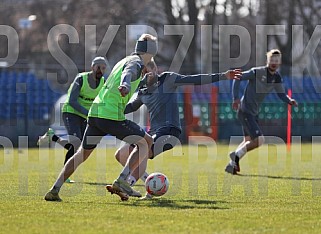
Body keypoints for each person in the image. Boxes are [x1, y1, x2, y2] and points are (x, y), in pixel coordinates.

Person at [44, 34, 157, 202]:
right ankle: (122, 181)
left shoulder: (126, 60)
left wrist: (139, 81)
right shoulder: (136, 63)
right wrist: (125, 85)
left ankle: (55, 189)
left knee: (82, 153)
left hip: (96, 113)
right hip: (110, 115)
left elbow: (128, 74)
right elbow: (128, 73)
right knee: (146, 142)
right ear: (151, 50)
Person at [115, 58, 242, 199]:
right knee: (121, 153)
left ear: (155, 70)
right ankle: (150, 182)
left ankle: (128, 185)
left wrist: (223, 76)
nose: (145, 76)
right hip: (153, 133)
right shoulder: (142, 90)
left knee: (143, 148)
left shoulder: (168, 79)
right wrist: (109, 110)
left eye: (147, 72)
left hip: (170, 131)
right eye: (142, 74)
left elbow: (195, 79)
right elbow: (131, 107)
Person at [225, 49, 298, 175]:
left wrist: (289, 100)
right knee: (259, 140)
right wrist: (235, 98)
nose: (274, 63)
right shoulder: (257, 72)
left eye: (276, 60)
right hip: (245, 110)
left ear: (279, 62)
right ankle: (235, 155)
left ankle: (232, 165)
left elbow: (281, 94)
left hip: (254, 112)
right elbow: (237, 77)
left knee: (248, 140)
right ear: (267, 61)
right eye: (272, 60)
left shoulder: (276, 78)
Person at [38, 56, 107, 182]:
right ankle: (65, 176)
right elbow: (72, 101)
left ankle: (52, 137)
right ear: (92, 67)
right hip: (71, 112)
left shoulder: (103, 82)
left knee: (79, 145)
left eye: (103, 68)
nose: (100, 70)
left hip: (85, 115)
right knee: (76, 143)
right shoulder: (81, 79)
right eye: (98, 67)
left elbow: (102, 101)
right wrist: (89, 114)